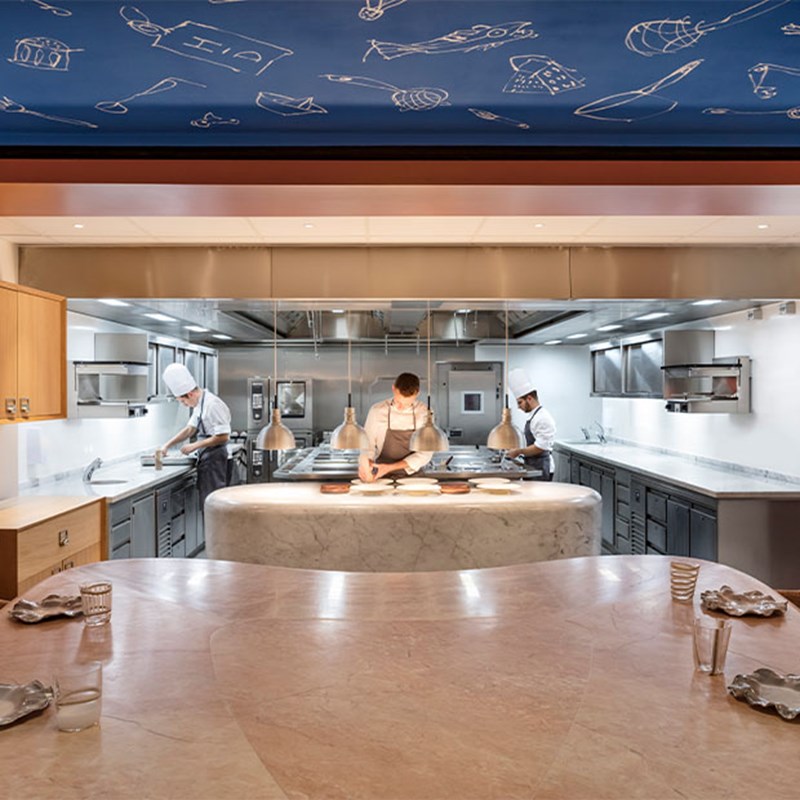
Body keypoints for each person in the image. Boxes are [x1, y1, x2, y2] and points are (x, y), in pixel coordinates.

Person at [159, 363, 232, 510]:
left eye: (183, 401)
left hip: (217, 460)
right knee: (208, 505)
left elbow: (224, 436)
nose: (184, 405)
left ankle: (215, 533)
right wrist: (167, 445)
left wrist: (195, 445)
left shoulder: (212, 404)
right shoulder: (199, 404)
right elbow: (189, 429)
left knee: (215, 507)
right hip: (208, 460)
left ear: (190, 394)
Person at [358, 372, 433, 482]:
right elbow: (367, 445)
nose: (400, 407)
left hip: (413, 477)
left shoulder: (425, 413)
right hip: (380, 475)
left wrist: (390, 467)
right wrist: (366, 464)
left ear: (417, 393)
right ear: (393, 388)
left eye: (406, 404)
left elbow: (425, 454)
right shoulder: (377, 411)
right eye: (398, 401)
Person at [506, 368, 556, 482]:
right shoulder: (534, 416)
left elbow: (540, 447)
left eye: (520, 402)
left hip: (542, 467)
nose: (518, 407)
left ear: (529, 398)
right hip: (533, 465)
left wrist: (518, 451)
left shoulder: (542, 418)